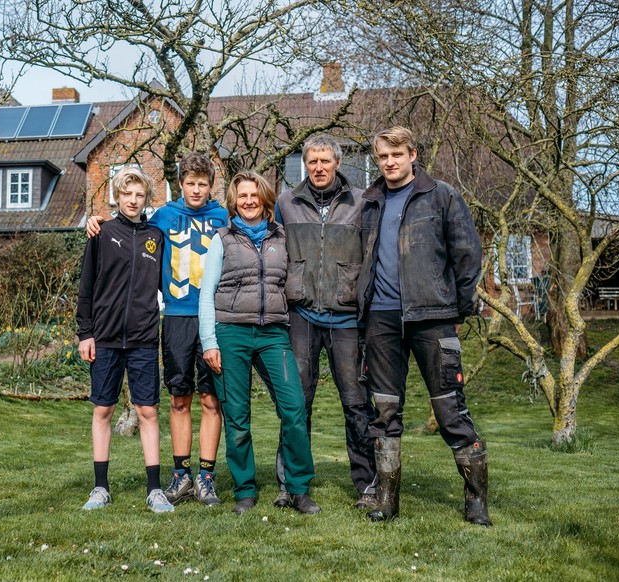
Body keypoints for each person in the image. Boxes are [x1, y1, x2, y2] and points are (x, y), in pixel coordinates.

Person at [355, 126, 490, 525]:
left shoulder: (442, 196)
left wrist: (458, 312)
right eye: (383, 156)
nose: (390, 162)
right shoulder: (370, 201)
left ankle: (477, 501)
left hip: (433, 317)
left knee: (451, 409)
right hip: (380, 318)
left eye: (397, 154)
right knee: (384, 411)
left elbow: (467, 258)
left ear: (413, 154)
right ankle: (385, 500)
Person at [85, 154, 228, 506]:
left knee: (211, 398)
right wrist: (95, 221)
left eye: (202, 184)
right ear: (180, 185)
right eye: (190, 183)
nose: (196, 189)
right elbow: (129, 229)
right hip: (176, 317)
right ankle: (180, 475)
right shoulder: (162, 218)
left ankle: (206, 476)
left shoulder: (224, 218)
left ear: (211, 187)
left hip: (214, 316)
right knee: (180, 398)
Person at [199, 170, 320, 515]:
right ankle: (245, 490)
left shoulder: (282, 237)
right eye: (242, 196)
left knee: (294, 408)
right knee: (237, 416)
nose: (248, 201)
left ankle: (298, 488)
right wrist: (209, 341)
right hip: (231, 332)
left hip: (273, 334)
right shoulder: (221, 239)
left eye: (254, 195)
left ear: (265, 200)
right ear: (233, 203)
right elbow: (206, 294)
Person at [275, 135, 377, 509]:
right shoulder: (286, 202)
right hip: (300, 313)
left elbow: (372, 253)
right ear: (305, 164)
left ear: (337, 163)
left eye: (325, 161)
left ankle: (367, 484)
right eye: (312, 161)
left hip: (346, 315)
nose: (318, 167)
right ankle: (290, 483)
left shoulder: (361, 202)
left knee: (356, 402)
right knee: (297, 402)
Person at [76, 166, 173, 513]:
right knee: (104, 409)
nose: (133, 200)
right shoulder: (101, 233)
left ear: (147, 198)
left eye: (140, 195)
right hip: (104, 337)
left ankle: (155, 489)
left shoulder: (157, 237)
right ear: (118, 196)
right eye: (127, 194)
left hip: (145, 338)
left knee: (148, 410)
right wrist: (84, 333)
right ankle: (100, 487)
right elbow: (86, 288)